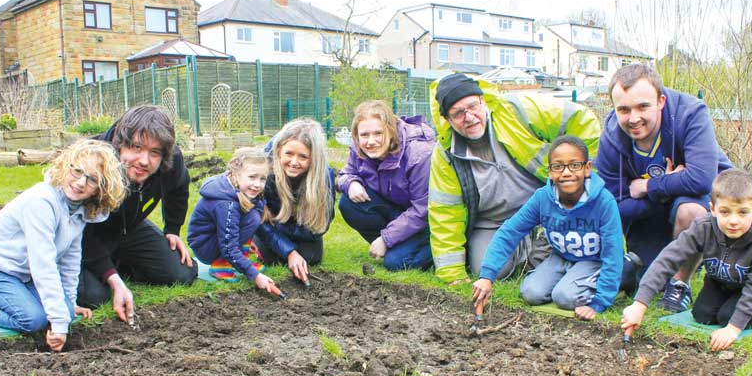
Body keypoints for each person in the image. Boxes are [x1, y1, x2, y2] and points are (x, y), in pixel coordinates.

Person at [0, 140, 126, 352]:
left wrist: (70, 302)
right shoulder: (41, 202)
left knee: (65, 311)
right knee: (33, 321)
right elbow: (43, 264)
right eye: (77, 171)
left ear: (100, 189)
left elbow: (70, 258)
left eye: (92, 179)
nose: (80, 183)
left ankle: (3, 296)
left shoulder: (79, 210)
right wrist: (59, 325)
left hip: (22, 272)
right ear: (66, 166)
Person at [428, 73, 603, 285]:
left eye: (473, 106)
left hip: (544, 209)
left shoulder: (517, 110)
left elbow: (581, 119)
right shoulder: (446, 154)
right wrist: (452, 275)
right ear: (447, 120)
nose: (469, 117)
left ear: (483, 100)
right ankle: (534, 253)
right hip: (493, 223)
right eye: (458, 113)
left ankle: (544, 246)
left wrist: (578, 176)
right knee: (486, 268)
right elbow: (445, 213)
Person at [597, 64, 733, 312]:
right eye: (624, 110)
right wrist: (661, 193)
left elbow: (702, 179)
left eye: (642, 106)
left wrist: (648, 185)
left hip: (698, 202)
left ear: (660, 101)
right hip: (648, 214)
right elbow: (612, 206)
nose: (633, 118)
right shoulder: (610, 138)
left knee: (690, 212)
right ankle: (637, 268)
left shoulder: (690, 113)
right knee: (648, 281)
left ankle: (680, 284)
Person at [621, 169, 752, 351]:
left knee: (728, 317)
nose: (733, 221)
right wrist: (640, 304)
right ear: (713, 209)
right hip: (722, 279)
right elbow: (668, 259)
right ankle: (732, 305)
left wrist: (733, 329)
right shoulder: (704, 227)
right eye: (725, 212)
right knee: (702, 315)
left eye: (742, 212)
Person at [472, 136, 624, 320]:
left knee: (565, 297)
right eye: (558, 166)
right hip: (561, 257)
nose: (566, 172)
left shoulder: (604, 202)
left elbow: (612, 252)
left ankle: (624, 276)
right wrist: (487, 276)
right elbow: (510, 232)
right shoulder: (543, 198)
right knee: (530, 293)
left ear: (587, 168)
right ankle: (570, 279)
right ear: (550, 172)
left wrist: (600, 302)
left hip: (594, 260)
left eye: (575, 165)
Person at [78, 105, 197, 324]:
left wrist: (172, 229)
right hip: (83, 236)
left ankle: (121, 262)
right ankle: (109, 267)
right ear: (119, 143)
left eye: (154, 152)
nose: (144, 161)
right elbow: (78, 228)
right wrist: (113, 279)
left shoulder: (173, 161)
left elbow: (180, 186)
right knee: (94, 296)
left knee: (183, 273)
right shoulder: (91, 163)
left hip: (129, 228)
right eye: (136, 147)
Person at [337, 100, 436, 271]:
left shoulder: (419, 153)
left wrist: (386, 238)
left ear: (390, 130)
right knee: (348, 203)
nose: (370, 141)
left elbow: (423, 209)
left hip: (429, 220)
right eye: (364, 135)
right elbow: (346, 173)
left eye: (378, 133)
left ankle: (431, 250)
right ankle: (394, 245)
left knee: (396, 263)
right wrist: (351, 182)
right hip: (399, 210)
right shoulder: (359, 147)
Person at [254, 118, 335, 283]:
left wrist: (288, 236)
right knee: (269, 256)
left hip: (295, 230)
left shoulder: (324, 176)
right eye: (289, 154)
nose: (294, 162)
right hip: (272, 228)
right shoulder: (265, 173)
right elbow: (259, 220)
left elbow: (321, 225)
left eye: (303, 157)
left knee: (311, 257)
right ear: (279, 151)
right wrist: (290, 252)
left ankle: (286, 248)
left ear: (314, 159)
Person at [187, 147, 277, 292]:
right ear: (235, 175)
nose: (257, 184)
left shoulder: (238, 189)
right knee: (253, 218)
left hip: (216, 238)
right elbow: (228, 246)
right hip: (206, 247)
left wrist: (247, 243)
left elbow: (243, 220)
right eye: (252, 177)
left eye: (262, 179)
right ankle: (220, 265)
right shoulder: (226, 205)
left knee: (253, 216)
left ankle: (239, 259)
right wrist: (255, 275)